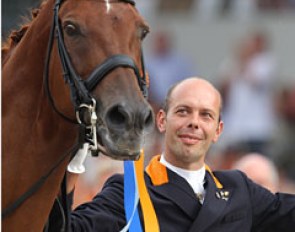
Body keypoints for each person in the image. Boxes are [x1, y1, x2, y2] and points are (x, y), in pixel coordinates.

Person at [49, 77, 295, 231]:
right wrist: (72, 162)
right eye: (183, 111)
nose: (194, 123)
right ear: (162, 120)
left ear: (218, 130)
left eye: (205, 115)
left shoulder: (240, 189)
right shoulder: (130, 192)